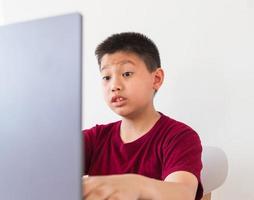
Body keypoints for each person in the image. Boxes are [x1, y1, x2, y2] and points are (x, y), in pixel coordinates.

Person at [82, 32, 203, 200]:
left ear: (156, 79)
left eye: (126, 74)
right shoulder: (94, 138)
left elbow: (183, 193)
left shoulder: (179, 137)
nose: (114, 86)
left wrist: (135, 185)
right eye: (106, 77)